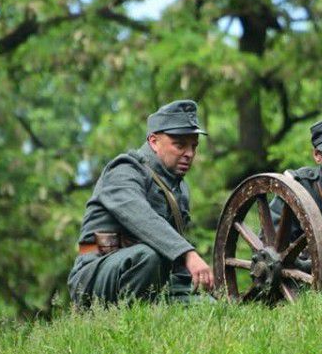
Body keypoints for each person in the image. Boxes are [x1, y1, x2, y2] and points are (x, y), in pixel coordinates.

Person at [67, 100, 213, 305]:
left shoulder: (179, 188)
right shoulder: (124, 170)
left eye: (193, 146)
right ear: (153, 141)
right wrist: (188, 253)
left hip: (157, 278)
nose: (189, 153)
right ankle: (127, 321)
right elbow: (141, 216)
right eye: (180, 145)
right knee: (147, 257)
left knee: (210, 307)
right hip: (96, 275)